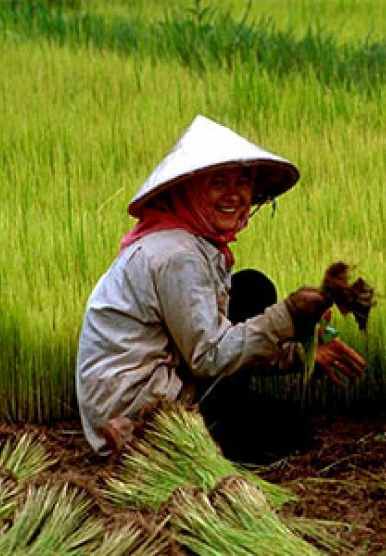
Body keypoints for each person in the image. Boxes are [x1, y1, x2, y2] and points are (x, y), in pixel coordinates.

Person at [76, 115, 366, 461]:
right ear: (190, 190)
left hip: (167, 380)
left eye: (243, 182)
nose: (234, 195)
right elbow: (210, 356)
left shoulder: (191, 245)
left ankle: (211, 420)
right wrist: (289, 313)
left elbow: (216, 337)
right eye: (218, 183)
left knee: (251, 288)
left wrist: (301, 354)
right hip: (138, 401)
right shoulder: (177, 256)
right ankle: (139, 438)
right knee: (287, 434)